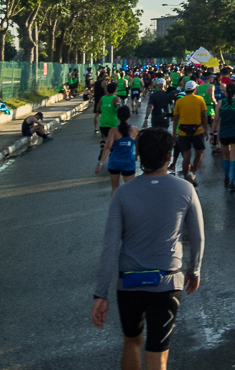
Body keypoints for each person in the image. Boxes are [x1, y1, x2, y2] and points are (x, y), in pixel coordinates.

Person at [92, 127, 205, 370]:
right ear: (169, 156)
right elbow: (197, 238)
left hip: (129, 284)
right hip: (166, 283)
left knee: (131, 342)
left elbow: (110, 247)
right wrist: (194, 271)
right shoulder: (185, 189)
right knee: (158, 352)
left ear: (139, 155)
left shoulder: (122, 194)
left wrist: (100, 294)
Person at [172, 81, 208, 186]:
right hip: (197, 130)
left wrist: (174, 133)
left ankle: (185, 179)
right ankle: (192, 172)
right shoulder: (200, 99)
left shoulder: (179, 101)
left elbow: (175, 119)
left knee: (186, 156)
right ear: (195, 89)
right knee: (200, 152)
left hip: (183, 131)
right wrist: (206, 129)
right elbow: (204, 116)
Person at [97, 105, 139, 194]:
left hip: (114, 163)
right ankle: (128, 207)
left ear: (117, 116)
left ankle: (116, 207)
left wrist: (100, 163)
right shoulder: (135, 130)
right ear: (129, 116)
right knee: (130, 190)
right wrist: (137, 155)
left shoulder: (113, 131)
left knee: (115, 189)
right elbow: (138, 145)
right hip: (129, 163)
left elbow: (107, 147)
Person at [213, 83, 235, 192]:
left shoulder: (220, 103)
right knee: (234, 156)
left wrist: (212, 133)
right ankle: (232, 181)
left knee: (225, 156)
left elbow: (216, 119)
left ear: (225, 92)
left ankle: (226, 177)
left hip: (224, 132)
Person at [98, 82, 121, 160]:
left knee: (103, 137)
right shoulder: (116, 99)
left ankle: (102, 148)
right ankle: (111, 154)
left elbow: (98, 109)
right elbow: (119, 110)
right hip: (112, 123)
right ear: (115, 90)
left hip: (103, 122)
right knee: (113, 140)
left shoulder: (102, 98)